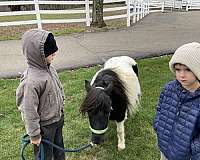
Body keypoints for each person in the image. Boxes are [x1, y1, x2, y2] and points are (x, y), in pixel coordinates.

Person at [16, 29, 65, 160]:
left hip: (57, 120)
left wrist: (62, 102)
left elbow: (58, 87)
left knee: (59, 150)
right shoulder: (31, 81)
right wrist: (34, 134)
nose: (55, 54)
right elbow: (29, 111)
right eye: (51, 53)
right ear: (39, 55)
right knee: (45, 155)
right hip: (44, 127)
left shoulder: (51, 68)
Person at [153, 42, 200, 160]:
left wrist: (193, 151)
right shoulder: (169, 88)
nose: (182, 75)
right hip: (164, 149)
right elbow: (160, 108)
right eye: (178, 69)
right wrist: (158, 126)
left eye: (188, 70)